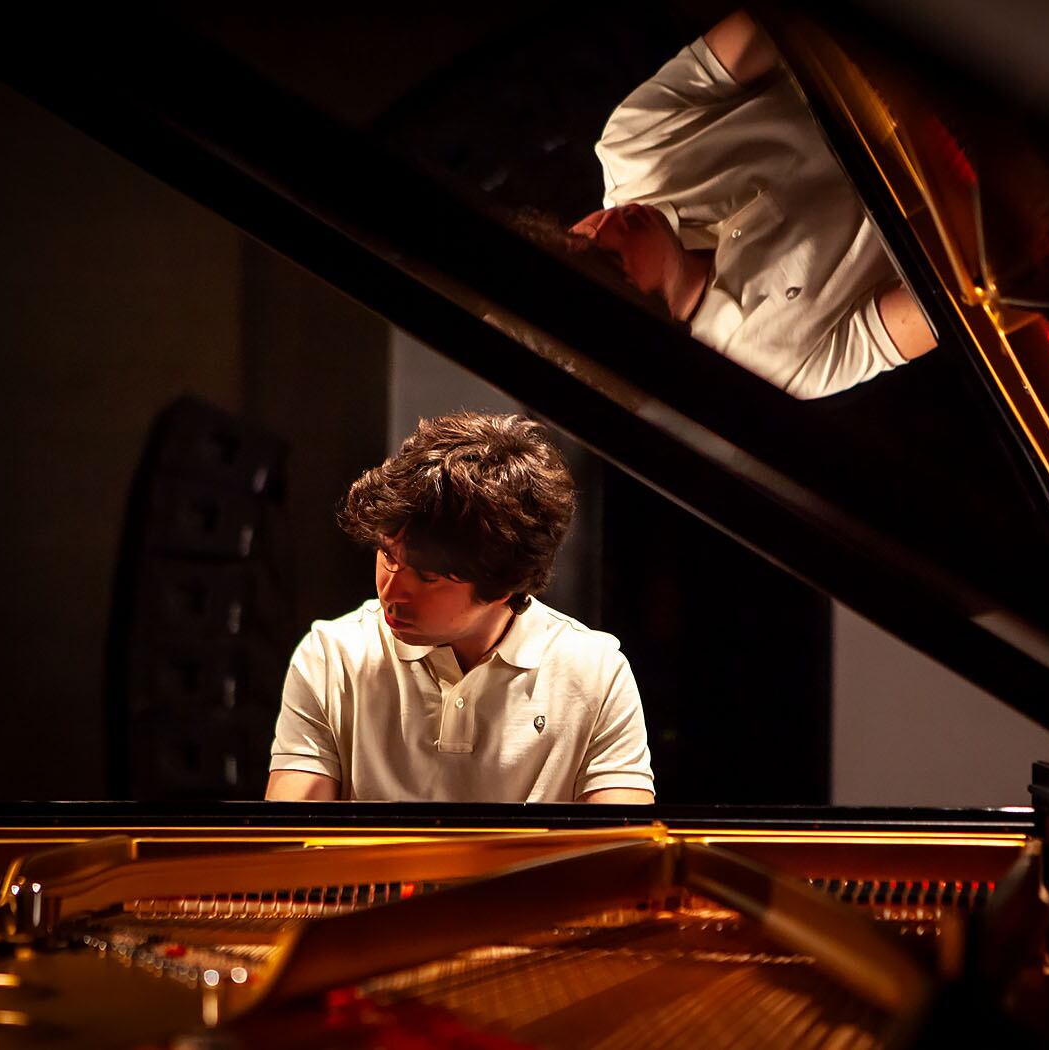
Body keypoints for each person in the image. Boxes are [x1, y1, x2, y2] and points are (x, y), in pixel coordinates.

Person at [265, 412, 655, 803]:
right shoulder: (333, 657)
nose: (391, 591)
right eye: (387, 554)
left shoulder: (594, 672)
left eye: (427, 577)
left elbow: (621, 838)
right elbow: (289, 834)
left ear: (503, 583)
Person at [570, 10, 936, 398]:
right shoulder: (771, 368)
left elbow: (776, 20)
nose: (602, 224)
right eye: (610, 257)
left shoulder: (629, 146)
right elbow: (940, 306)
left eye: (576, 234)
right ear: (645, 319)